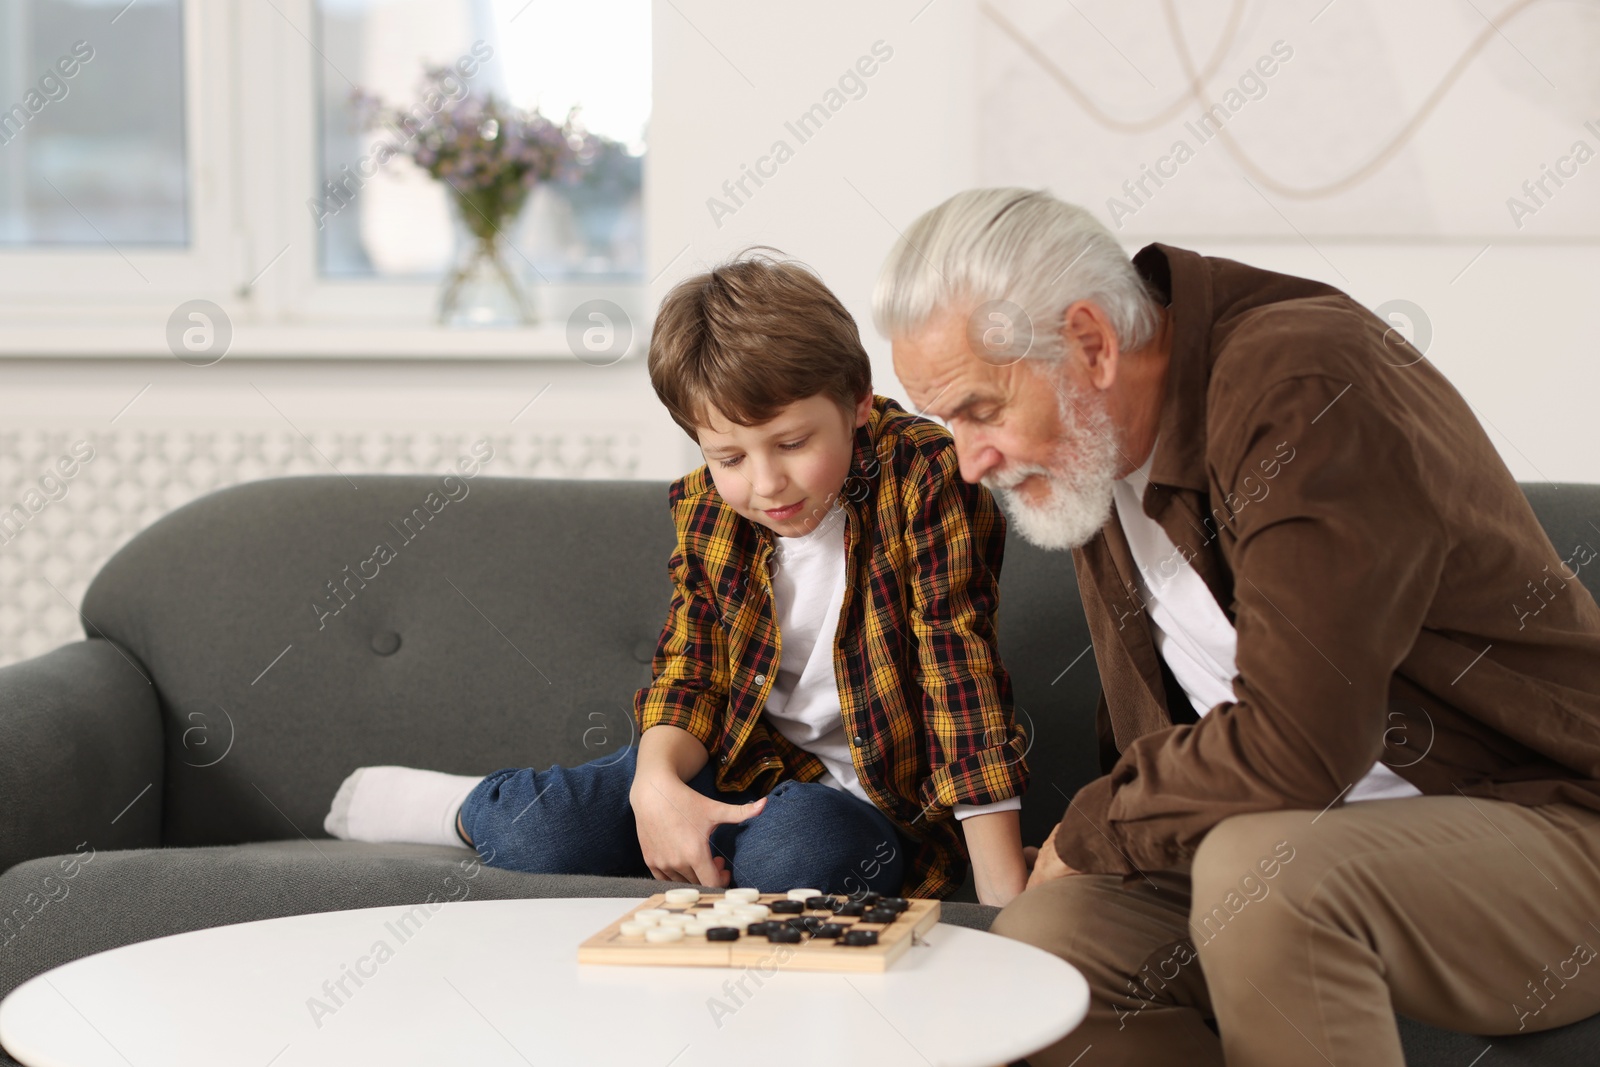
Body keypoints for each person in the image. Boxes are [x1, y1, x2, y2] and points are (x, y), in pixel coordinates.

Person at [873, 187, 1600, 1064]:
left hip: (1549, 828)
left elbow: (1299, 744)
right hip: (1285, 841)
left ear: (1092, 345)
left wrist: (1096, 822)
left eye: (981, 410)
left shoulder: (1305, 387)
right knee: (1044, 944)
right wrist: (1106, 848)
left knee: (1268, 874)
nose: (967, 459)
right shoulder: (1089, 452)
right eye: (947, 420)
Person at [324, 251, 1031, 904]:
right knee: (542, 833)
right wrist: (658, 785)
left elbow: (957, 673)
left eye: (792, 443)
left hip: (869, 807)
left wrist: (1005, 902)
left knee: (802, 852)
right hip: (731, 762)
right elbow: (689, 674)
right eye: (729, 456)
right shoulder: (704, 508)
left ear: (856, 401)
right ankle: (468, 804)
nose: (766, 483)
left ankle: (716, 851)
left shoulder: (928, 476)